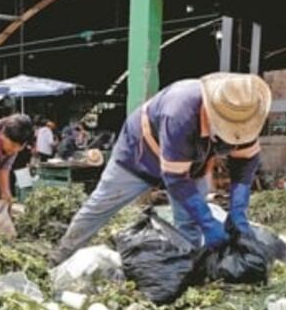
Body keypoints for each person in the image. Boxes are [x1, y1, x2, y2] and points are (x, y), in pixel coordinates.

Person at [51, 72, 272, 264]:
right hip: (139, 156)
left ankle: (189, 264)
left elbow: (246, 162)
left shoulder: (245, 116)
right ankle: (62, 254)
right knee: (101, 205)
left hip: (192, 162)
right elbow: (175, 179)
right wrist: (208, 221)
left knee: (189, 221)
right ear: (211, 111)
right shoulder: (179, 112)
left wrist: (238, 211)